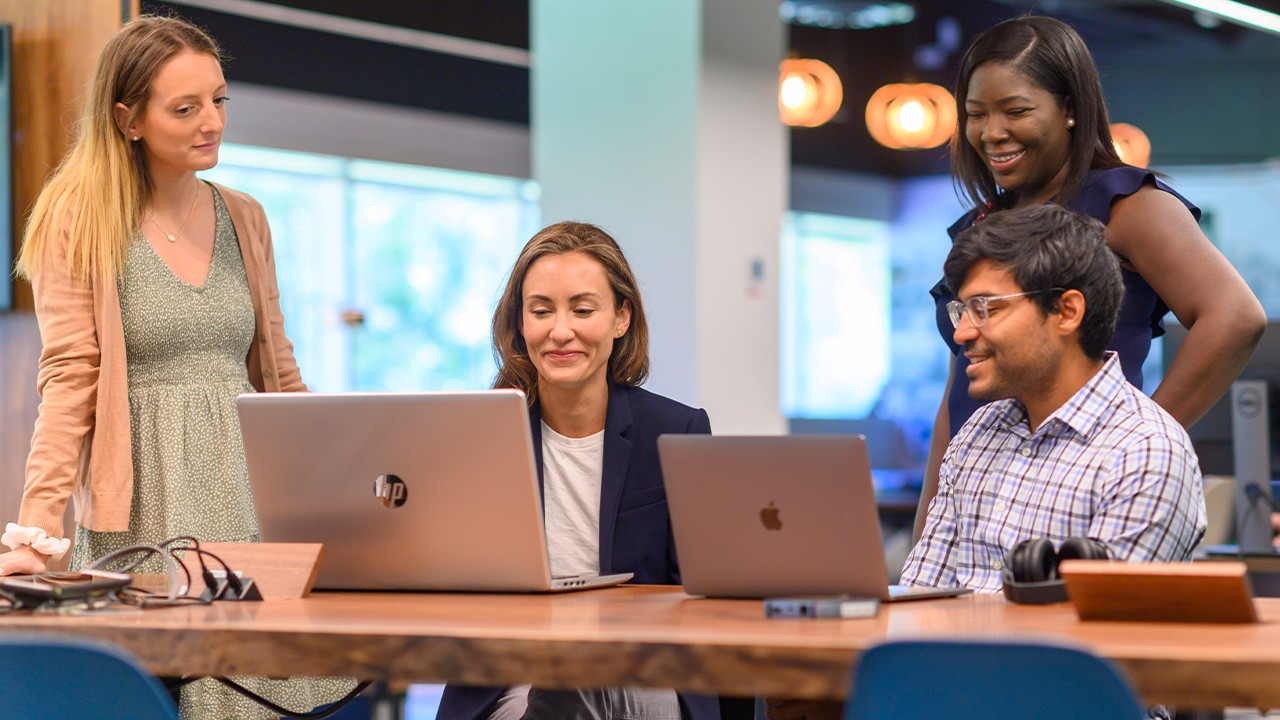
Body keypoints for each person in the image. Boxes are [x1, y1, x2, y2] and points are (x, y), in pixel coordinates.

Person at [0, 15, 349, 719]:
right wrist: (34, 534)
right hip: (145, 503)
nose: (210, 122)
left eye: (218, 100)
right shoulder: (80, 214)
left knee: (255, 695)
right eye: (184, 108)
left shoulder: (245, 216)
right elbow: (69, 381)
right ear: (127, 118)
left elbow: (279, 371)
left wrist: (334, 494)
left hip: (248, 497)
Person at [769, 204, 1207, 720]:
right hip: (947, 695)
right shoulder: (979, 431)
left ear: (1067, 311)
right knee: (795, 697)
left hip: (1067, 704)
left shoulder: (1147, 448)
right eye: (961, 312)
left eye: (986, 309)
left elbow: (1096, 655)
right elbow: (922, 601)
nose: (961, 333)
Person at [915, 15, 1264, 540]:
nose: (992, 133)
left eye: (1016, 111)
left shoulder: (1127, 205)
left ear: (1071, 110)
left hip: (1079, 500)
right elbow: (955, 394)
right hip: (975, 499)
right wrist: (928, 528)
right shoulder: (979, 230)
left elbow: (1235, 317)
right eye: (975, 114)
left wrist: (1139, 446)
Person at [436, 221, 719, 720]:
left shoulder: (677, 430)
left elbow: (703, 595)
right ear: (519, 325)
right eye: (540, 311)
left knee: (575, 688)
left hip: (643, 668)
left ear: (620, 318)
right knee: (559, 691)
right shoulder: (479, 438)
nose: (559, 331)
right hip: (517, 677)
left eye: (583, 310)